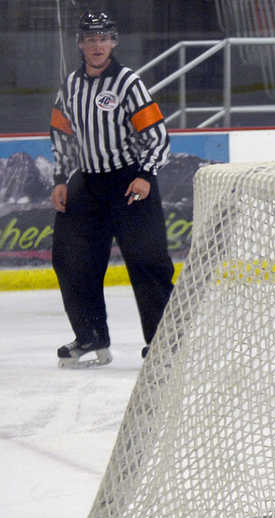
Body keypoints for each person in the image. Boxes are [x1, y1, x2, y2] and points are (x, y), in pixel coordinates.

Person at [49, 11, 175, 368]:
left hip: (130, 182)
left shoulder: (128, 84)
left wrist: (146, 175)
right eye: (90, 39)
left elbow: (157, 136)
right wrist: (61, 178)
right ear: (80, 44)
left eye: (103, 38)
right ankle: (91, 337)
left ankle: (163, 342)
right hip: (88, 182)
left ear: (114, 42)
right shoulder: (70, 85)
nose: (97, 45)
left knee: (148, 262)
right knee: (71, 258)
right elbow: (62, 133)